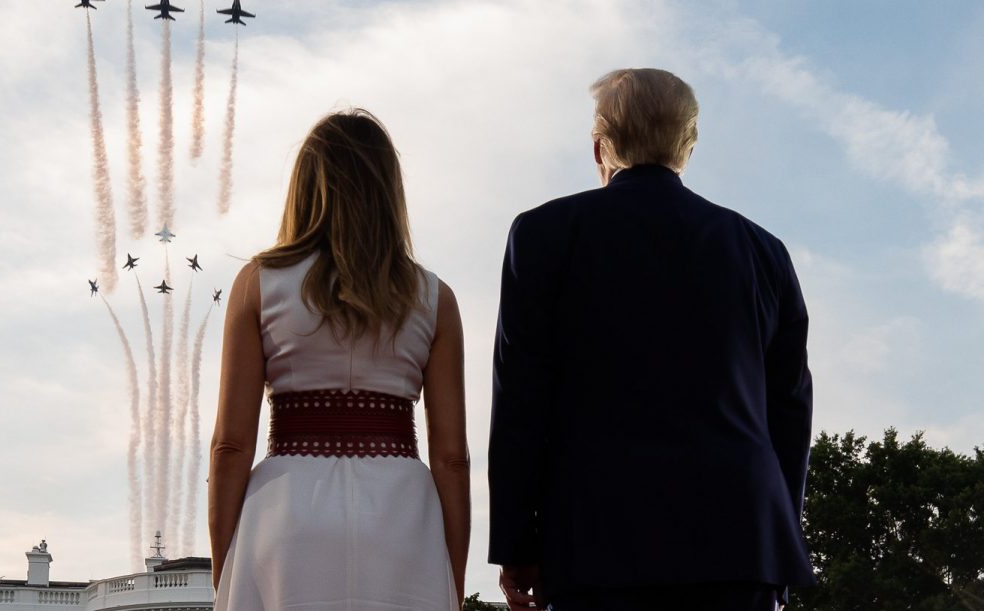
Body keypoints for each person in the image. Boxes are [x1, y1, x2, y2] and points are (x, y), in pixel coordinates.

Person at [488, 68, 816, 611]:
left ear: (600, 148)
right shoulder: (763, 251)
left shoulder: (543, 235)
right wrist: (776, 534)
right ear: (688, 145)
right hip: (739, 544)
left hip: (594, 545)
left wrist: (518, 541)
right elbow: (790, 410)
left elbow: (522, 398)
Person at [209, 109, 471, 610]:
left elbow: (230, 446)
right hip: (402, 520)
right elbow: (452, 459)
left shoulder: (257, 285)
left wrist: (227, 571)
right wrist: (451, 579)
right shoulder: (436, 300)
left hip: (284, 520)